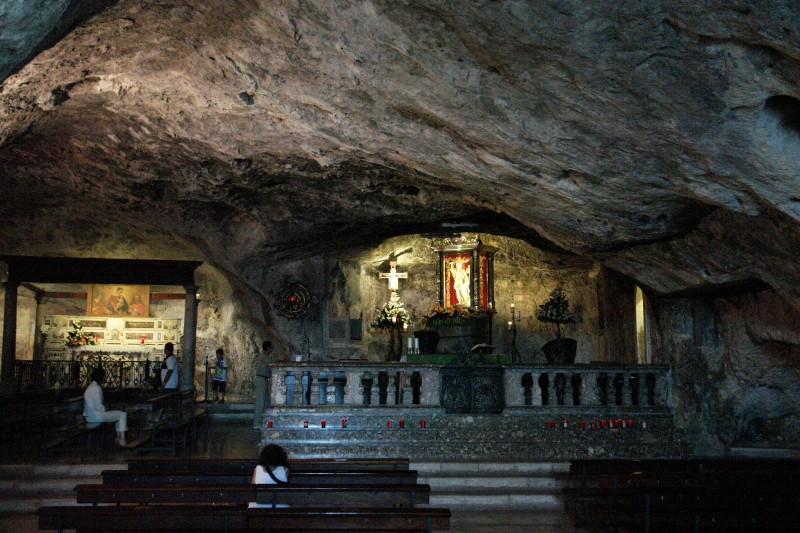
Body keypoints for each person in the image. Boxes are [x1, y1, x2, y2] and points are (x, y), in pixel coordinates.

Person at [83, 367, 128, 447]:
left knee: (118, 414)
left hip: (91, 415)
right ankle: (122, 440)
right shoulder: (96, 388)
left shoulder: (92, 386)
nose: (105, 378)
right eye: (104, 376)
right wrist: (106, 411)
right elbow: (99, 406)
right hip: (95, 416)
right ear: (100, 377)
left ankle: (119, 438)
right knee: (122, 414)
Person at [249, 443, 289, 508]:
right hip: (279, 505)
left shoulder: (258, 468)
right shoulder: (285, 470)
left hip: (258, 506)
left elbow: (253, 485)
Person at [254, 340, 273, 429]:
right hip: (261, 379)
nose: (272, 348)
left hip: (264, 380)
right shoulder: (263, 357)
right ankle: (256, 424)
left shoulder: (266, 357)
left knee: (266, 402)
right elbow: (273, 363)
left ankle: (263, 422)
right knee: (260, 402)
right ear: (268, 348)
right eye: (271, 347)